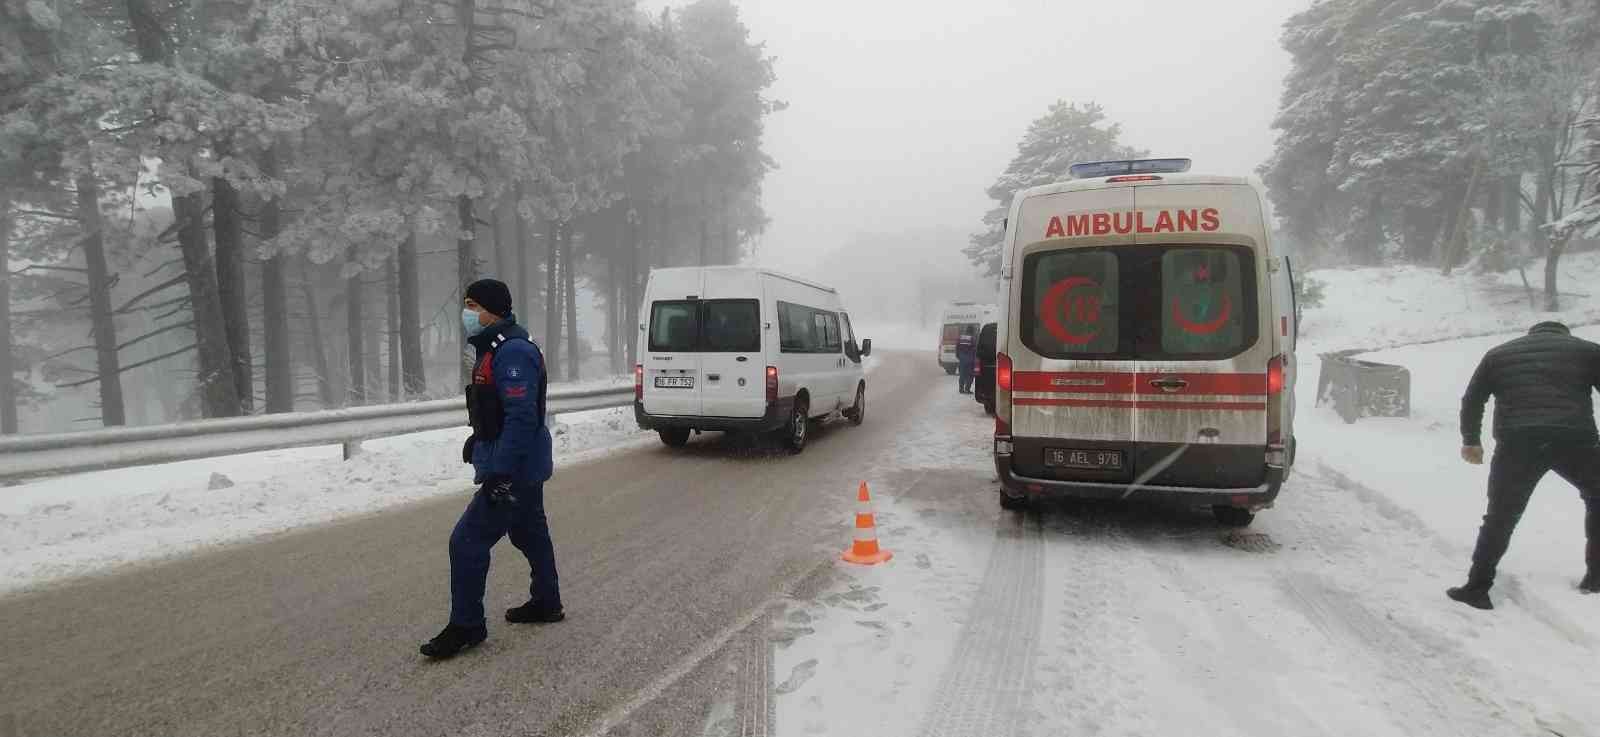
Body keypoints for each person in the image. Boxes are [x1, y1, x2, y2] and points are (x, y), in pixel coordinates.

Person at [421, 278, 564, 659]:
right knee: (530, 533)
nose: (467, 313)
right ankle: (547, 601)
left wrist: (500, 471)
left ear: (493, 310)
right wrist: (481, 439)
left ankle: (467, 625)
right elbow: (502, 413)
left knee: (466, 541)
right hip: (523, 461)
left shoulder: (512, 351)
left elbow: (521, 417)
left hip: (515, 468)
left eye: (472, 305)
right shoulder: (497, 348)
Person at [1451, 321, 1600, 610]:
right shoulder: (1587, 351)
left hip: (1518, 442)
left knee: (1501, 514)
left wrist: (1471, 440)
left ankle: (1476, 588)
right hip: (1574, 438)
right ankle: (1596, 579)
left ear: (1531, 334)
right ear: (1563, 334)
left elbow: (1473, 399)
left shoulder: (1498, 355)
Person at [956, 327, 977, 395]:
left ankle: (961, 389)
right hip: (970, 360)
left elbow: (957, 347)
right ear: (972, 331)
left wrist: (958, 356)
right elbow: (974, 350)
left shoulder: (960, 337)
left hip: (962, 359)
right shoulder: (972, 339)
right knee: (970, 375)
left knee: (962, 374)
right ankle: (967, 389)